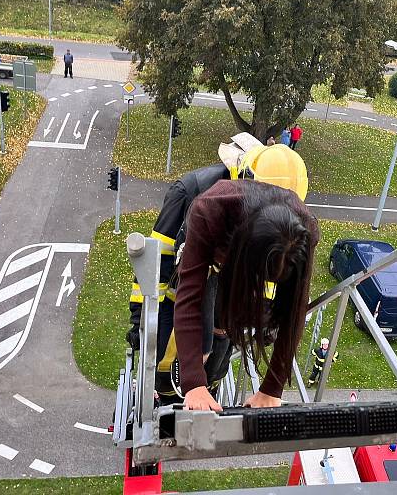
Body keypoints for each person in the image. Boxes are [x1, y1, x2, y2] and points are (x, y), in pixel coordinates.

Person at [125, 134, 309, 403]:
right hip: (179, 299)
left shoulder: (296, 228)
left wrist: (272, 385)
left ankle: (207, 390)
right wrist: (140, 323)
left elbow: (293, 303)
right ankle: (167, 394)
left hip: (230, 311)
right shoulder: (196, 195)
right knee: (166, 368)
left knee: (215, 365)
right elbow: (158, 266)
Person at [174, 179, 319, 411]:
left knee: (225, 325)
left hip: (243, 253)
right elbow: (189, 296)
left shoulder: (304, 232)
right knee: (207, 323)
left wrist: (272, 388)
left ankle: (214, 366)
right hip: (212, 243)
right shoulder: (209, 211)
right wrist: (193, 384)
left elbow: (295, 310)